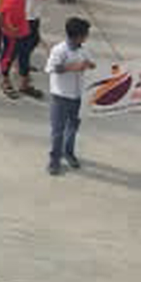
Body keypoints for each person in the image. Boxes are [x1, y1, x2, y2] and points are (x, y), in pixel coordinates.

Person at [45, 17, 96, 175]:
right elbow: (53, 68)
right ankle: (54, 160)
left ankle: (69, 152)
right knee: (58, 130)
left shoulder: (84, 50)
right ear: (77, 36)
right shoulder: (59, 50)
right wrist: (74, 67)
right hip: (61, 96)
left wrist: (90, 65)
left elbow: (90, 63)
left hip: (77, 95)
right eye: (85, 34)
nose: (87, 37)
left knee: (73, 126)